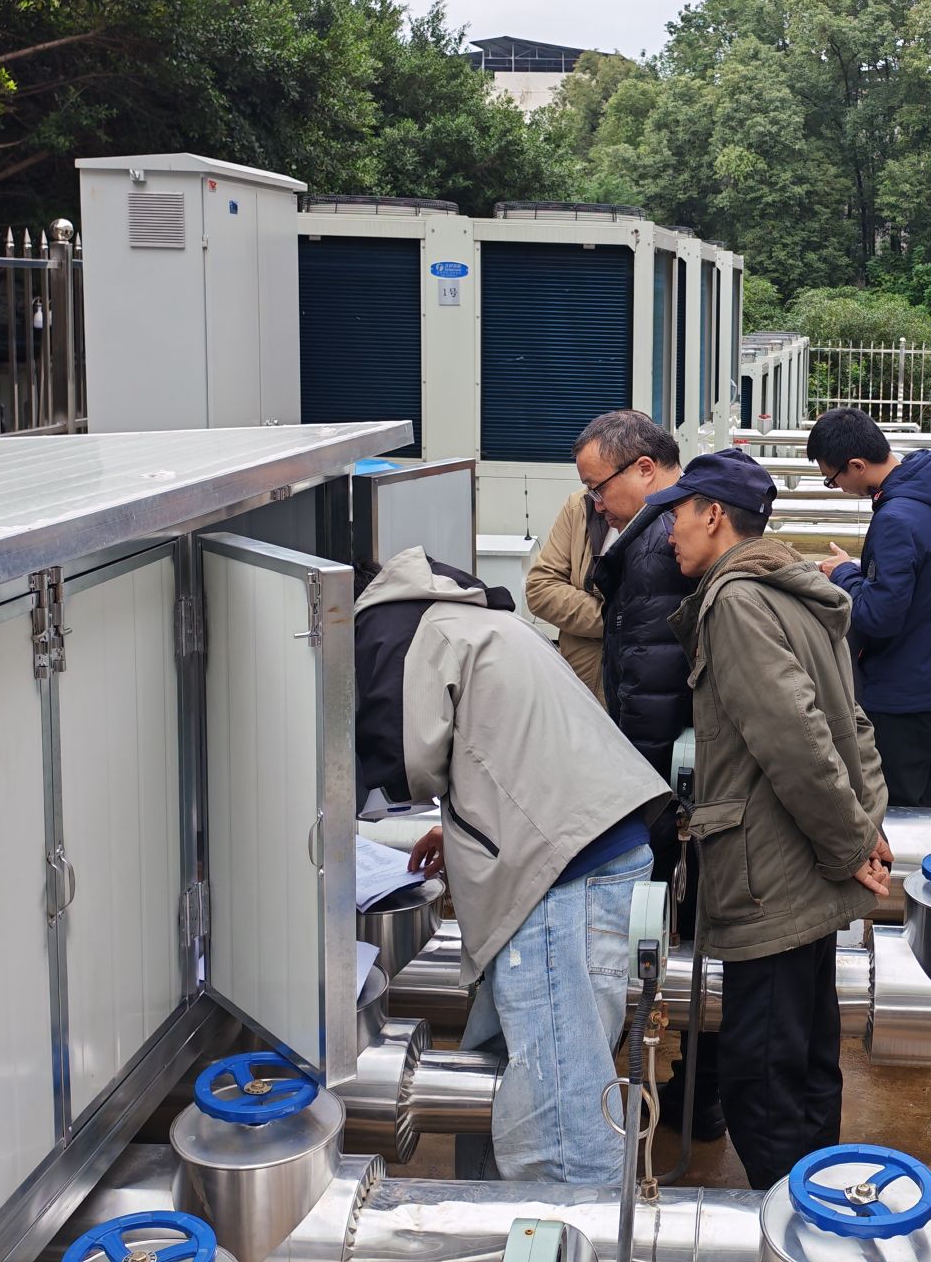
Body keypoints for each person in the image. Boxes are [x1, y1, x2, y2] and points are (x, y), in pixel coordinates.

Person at [355, 547, 669, 1183]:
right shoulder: (463, 616)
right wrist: (464, 825)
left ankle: (574, 1227)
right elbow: (497, 744)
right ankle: (502, 1209)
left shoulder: (392, 632)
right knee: (518, 1068)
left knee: (561, 1130)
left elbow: (404, 765)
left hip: (561, 873)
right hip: (587, 846)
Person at [658, 448, 892, 1191]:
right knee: (809, 1061)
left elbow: (796, 737)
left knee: (762, 1081)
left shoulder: (735, 603)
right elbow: (853, 723)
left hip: (769, 876)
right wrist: (865, 825)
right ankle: (820, 1205)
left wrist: (851, 840)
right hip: (808, 869)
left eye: (676, 513)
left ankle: (789, 1219)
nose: (668, 531)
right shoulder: (792, 590)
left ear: (713, 516)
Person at [570, 409, 721, 1137]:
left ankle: (689, 1100)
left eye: (598, 486)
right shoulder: (661, 530)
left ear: (644, 469)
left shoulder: (662, 544)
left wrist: (642, 791)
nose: (594, 503)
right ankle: (696, 1096)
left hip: (662, 781)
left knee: (667, 932)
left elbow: (657, 684)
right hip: (669, 774)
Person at [806, 408, 931, 809]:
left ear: (856, 465)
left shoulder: (896, 518)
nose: (837, 488)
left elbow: (879, 617)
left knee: (896, 813)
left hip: (906, 700)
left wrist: (843, 573)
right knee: (926, 801)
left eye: (833, 479)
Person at [525, 486, 608, 702]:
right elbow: (540, 589)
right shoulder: (579, 505)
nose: (598, 503)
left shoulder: (671, 510)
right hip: (582, 684)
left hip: (646, 686)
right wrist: (613, 619)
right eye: (590, 485)